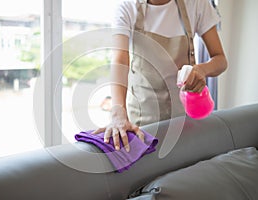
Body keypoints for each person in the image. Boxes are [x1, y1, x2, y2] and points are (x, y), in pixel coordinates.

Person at [93, 0, 227, 152]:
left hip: (185, 119)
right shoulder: (127, 6)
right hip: (143, 120)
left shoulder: (196, 4)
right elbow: (120, 60)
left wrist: (202, 70)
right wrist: (118, 113)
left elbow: (220, 60)